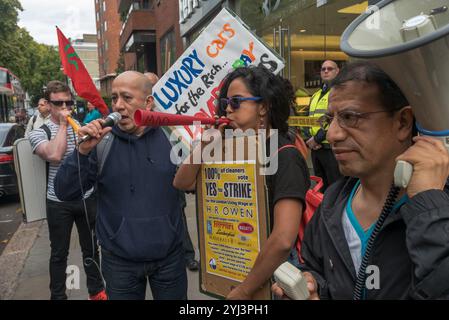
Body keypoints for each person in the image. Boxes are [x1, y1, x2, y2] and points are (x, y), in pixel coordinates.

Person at [272, 61, 449, 300]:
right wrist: (314, 287)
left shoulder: (438, 209)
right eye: (330, 119)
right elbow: (316, 268)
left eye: (349, 117)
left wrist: (429, 208)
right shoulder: (332, 205)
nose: (333, 134)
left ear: (403, 122)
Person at [173, 66, 310, 299]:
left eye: (236, 102)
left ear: (263, 107)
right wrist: (205, 146)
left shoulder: (285, 155)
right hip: (236, 266)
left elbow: (283, 239)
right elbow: (182, 182)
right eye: (226, 102)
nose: (227, 108)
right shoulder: (228, 149)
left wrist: (245, 290)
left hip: (274, 278)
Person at [54, 71, 187, 300]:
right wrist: (83, 152)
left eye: (127, 98)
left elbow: (194, 185)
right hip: (119, 264)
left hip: (169, 260)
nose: (118, 105)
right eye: (114, 98)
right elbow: (64, 192)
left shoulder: (173, 136)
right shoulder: (102, 142)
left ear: (148, 102)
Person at [28, 80, 105, 300]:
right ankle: (58, 295)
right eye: (58, 103)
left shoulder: (80, 125)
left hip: (86, 197)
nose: (64, 108)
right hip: (58, 202)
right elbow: (54, 155)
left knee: (91, 248)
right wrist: (62, 125)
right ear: (48, 104)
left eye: (68, 103)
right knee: (59, 253)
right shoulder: (39, 132)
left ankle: (97, 290)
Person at [144, 71, 199, 272]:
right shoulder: (139, 118)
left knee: (178, 216)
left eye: (153, 86)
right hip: (149, 177)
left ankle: (187, 255)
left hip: (173, 173)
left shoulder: (172, 111)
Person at [305, 60, 342, 191]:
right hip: (316, 149)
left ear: (337, 72)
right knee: (320, 188)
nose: (326, 71)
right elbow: (308, 119)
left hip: (330, 149)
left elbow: (334, 120)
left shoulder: (339, 93)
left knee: (335, 188)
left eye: (330, 69)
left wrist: (316, 139)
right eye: (323, 69)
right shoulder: (315, 95)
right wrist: (308, 138)